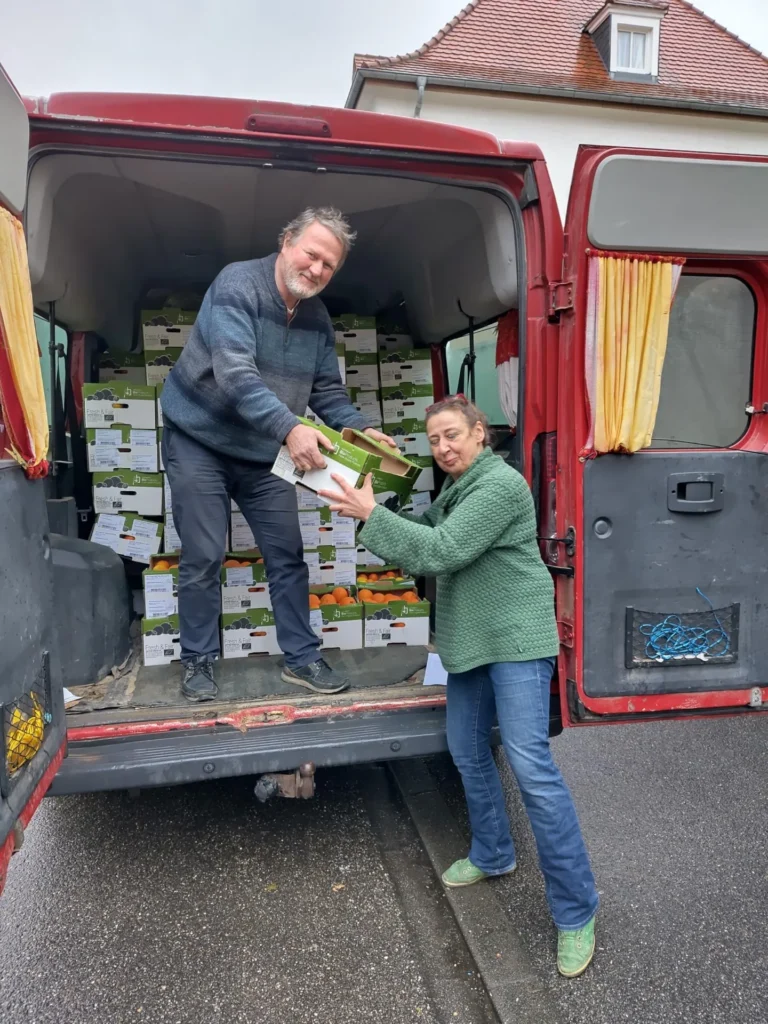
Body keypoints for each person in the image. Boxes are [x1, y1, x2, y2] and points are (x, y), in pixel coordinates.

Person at [319, 395, 599, 978]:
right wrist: (378, 490)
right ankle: (494, 853)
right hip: (471, 640)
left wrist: (373, 516)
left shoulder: (498, 486)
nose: (443, 449)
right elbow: (424, 527)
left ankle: (576, 911)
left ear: (479, 433)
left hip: (517, 640)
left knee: (531, 767)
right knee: (468, 753)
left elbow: (443, 551)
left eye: (452, 436)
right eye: (434, 441)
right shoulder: (457, 488)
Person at [160, 207, 397, 703]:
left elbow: (327, 391)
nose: (316, 269)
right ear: (287, 240)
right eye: (312, 254)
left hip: (262, 448)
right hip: (199, 437)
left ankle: (302, 658)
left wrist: (363, 431)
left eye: (328, 265)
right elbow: (235, 373)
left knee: (287, 554)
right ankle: (199, 659)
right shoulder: (237, 285)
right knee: (203, 555)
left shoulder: (316, 318)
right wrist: (290, 428)